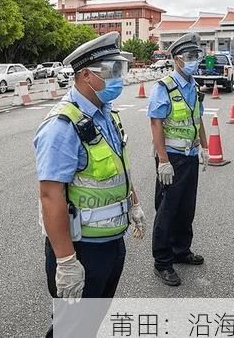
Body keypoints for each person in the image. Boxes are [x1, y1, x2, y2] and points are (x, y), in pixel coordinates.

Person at [34, 32, 146, 338]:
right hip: (83, 249)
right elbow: (50, 195)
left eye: (121, 69)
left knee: (89, 323)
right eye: (112, 71)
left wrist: (134, 204)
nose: (119, 78)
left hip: (111, 242)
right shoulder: (62, 126)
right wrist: (66, 261)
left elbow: (119, 166)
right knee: (71, 328)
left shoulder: (107, 116)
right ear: (86, 75)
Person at [147, 32, 209, 287]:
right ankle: (162, 261)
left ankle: (181, 250)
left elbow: (198, 118)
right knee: (167, 209)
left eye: (197, 55)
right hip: (171, 157)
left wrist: (204, 146)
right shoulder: (164, 87)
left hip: (190, 155)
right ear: (177, 59)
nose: (195, 60)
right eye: (190, 56)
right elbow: (156, 123)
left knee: (186, 207)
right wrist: (163, 160)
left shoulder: (194, 86)